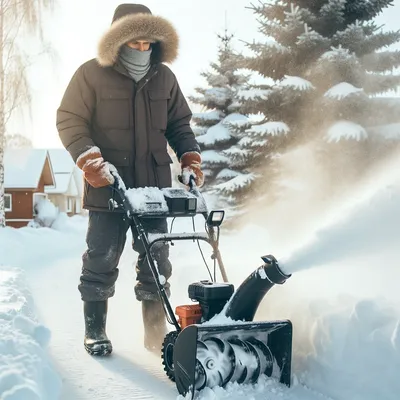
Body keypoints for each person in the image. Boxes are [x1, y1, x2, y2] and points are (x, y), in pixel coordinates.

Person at [56, 3, 204, 356]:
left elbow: (179, 125)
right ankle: (95, 332)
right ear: (118, 40)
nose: (141, 49)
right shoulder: (91, 74)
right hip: (108, 186)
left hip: (152, 187)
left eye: (147, 43)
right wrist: (89, 157)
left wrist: (189, 157)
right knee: (101, 260)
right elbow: (70, 119)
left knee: (156, 261)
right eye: (134, 42)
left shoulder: (164, 77)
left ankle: (154, 338)